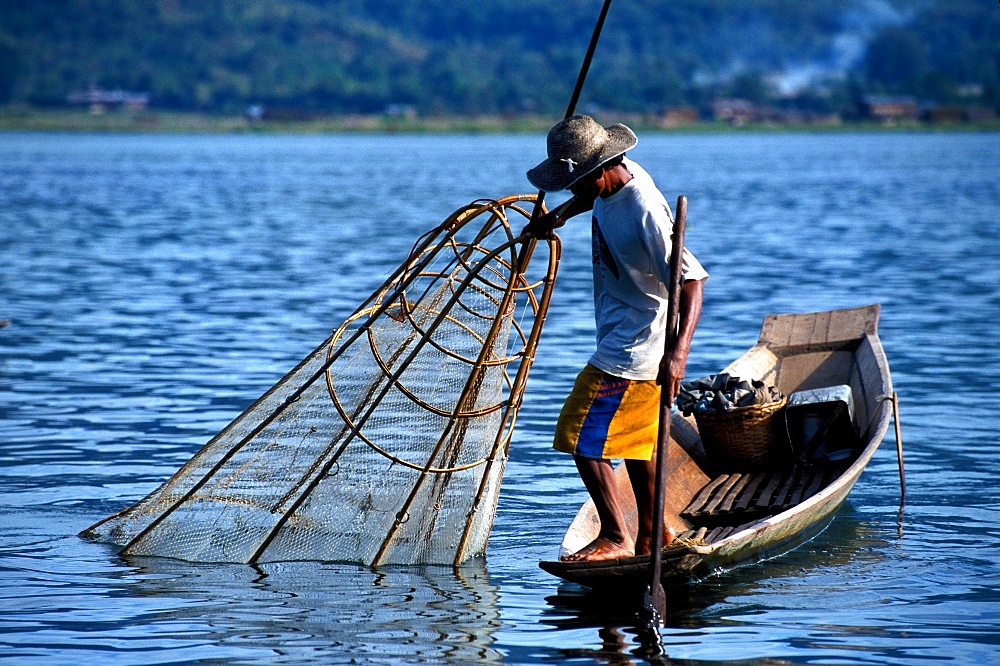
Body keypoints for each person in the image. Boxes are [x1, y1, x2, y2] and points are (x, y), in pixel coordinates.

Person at [525, 115, 708, 562]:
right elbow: (592, 199)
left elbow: (691, 282)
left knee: (579, 437)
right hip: (624, 334)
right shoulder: (613, 180)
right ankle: (654, 534)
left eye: (575, 185)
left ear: (600, 171)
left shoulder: (643, 208)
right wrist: (559, 216)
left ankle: (615, 536)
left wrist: (678, 355)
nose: (572, 191)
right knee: (637, 445)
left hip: (634, 346)